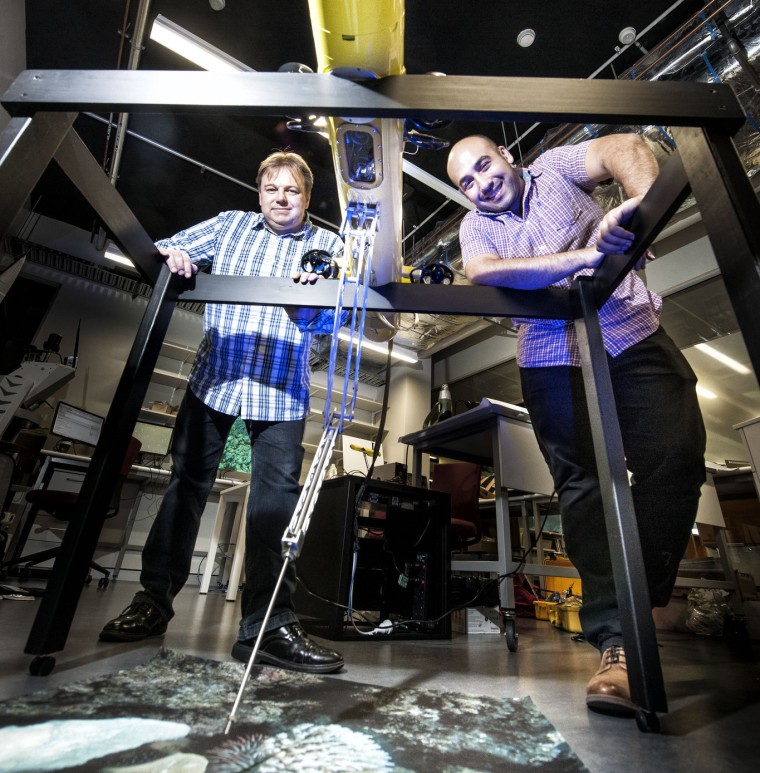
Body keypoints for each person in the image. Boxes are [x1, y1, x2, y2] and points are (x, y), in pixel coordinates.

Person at [447, 133, 706, 716]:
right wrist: (582, 259)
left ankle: (637, 606)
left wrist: (643, 212)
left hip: (630, 332)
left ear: (505, 157)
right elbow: (484, 271)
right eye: (467, 182)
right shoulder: (476, 227)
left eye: (484, 166)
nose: (481, 184)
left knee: (679, 458)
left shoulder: (555, 169)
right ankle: (618, 644)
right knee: (583, 488)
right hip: (550, 360)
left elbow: (626, 146)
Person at [100, 150, 345, 675]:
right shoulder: (230, 227)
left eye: (293, 191)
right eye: (272, 189)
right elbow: (165, 249)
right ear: (259, 193)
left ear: (307, 197)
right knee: (184, 488)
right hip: (216, 381)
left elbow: (332, 325)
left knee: (273, 507)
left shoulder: (328, 245)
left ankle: (268, 626)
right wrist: (177, 258)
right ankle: (151, 603)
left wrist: (314, 310)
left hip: (281, 392)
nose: (282, 199)